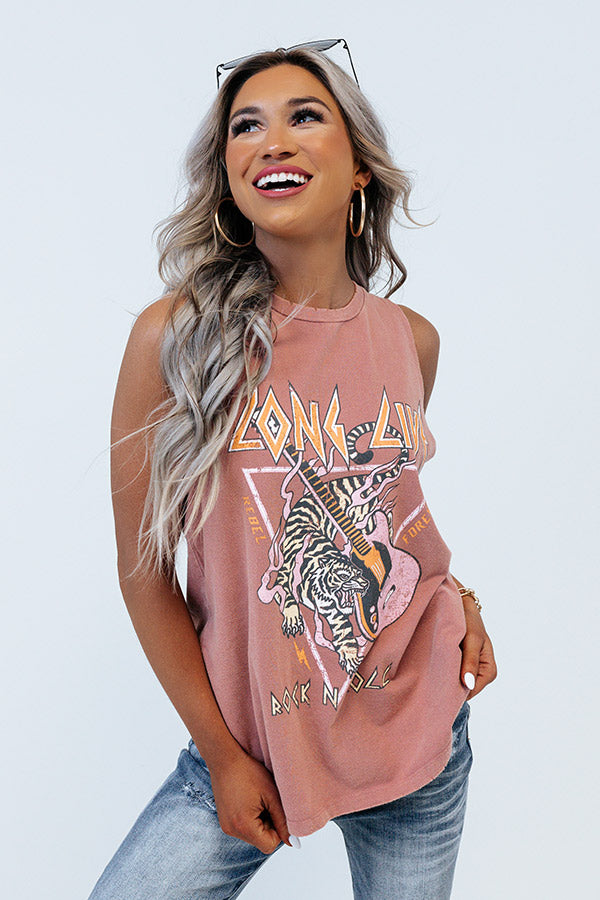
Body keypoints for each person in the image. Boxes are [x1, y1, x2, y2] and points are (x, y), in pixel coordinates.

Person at [87, 43, 497, 900]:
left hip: (417, 738)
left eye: (304, 116)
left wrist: (464, 602)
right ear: (229, 177)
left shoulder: (411, 341)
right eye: (246, 127)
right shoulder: (175, 339)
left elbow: (393, 509)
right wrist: (220, 756)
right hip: (252, 745)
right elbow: (142, 570)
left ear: (359, 167)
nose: (272, 140)